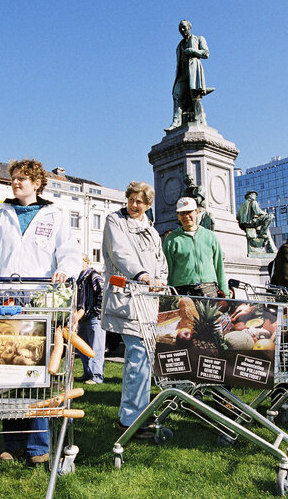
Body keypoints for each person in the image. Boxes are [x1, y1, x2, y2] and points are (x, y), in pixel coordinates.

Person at [0, 159, 82, 463]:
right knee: (6, 366)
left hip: (38, 298)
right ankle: (12, 443)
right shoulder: (0, 215)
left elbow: (68, 252)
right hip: (5, 297)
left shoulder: (53, 215)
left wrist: (65, 271)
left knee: (35, 367)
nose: (16, 183)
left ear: (37, 183)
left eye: (23, 179)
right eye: (14, 179)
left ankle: (37, 447)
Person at [101, 181, 167, 438]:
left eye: (140, 202)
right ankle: (129, 420)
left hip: (148, 300)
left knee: (145, 357)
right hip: (127, 299)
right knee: (138, 354)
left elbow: (160, 261)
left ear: (148, 205)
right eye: (131, 200)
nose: (134, 205)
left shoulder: (151, 229)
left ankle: (138, 413)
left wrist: (160, 279)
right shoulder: (114, 221)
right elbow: (119, 253)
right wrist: (143, 275)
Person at [163, 197, 227, 298]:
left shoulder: (210, 236)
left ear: (196, 212)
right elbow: (167, 269)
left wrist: (225, 293)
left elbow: (219, 266)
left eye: (189, 212)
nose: (186, 216)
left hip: (209, 289)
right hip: (181, 290)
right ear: (178, 216)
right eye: (182, 213)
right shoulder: (171, 239)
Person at [165, 20, 214, 130]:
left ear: (189, 27)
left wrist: (193, 51)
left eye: (184, 27)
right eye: (180, 29)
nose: (182, 30)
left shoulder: (199, 39)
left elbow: (206, 53)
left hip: (194, 70)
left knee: (194, 94)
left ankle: (198, 118)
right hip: (182, 73)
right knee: (176, 95)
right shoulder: (179, 46)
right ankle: (176, 122)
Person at [76, 254, 105, 384]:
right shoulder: (79, 279)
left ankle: (97, 376)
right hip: (83, 318)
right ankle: (87, 373)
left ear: (87, 263)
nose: (78, 264)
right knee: (82, 347)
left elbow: (103, 293)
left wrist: (97, 310)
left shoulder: (94, 276)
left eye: (81, 261)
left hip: (94, 317)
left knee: (96, 348)